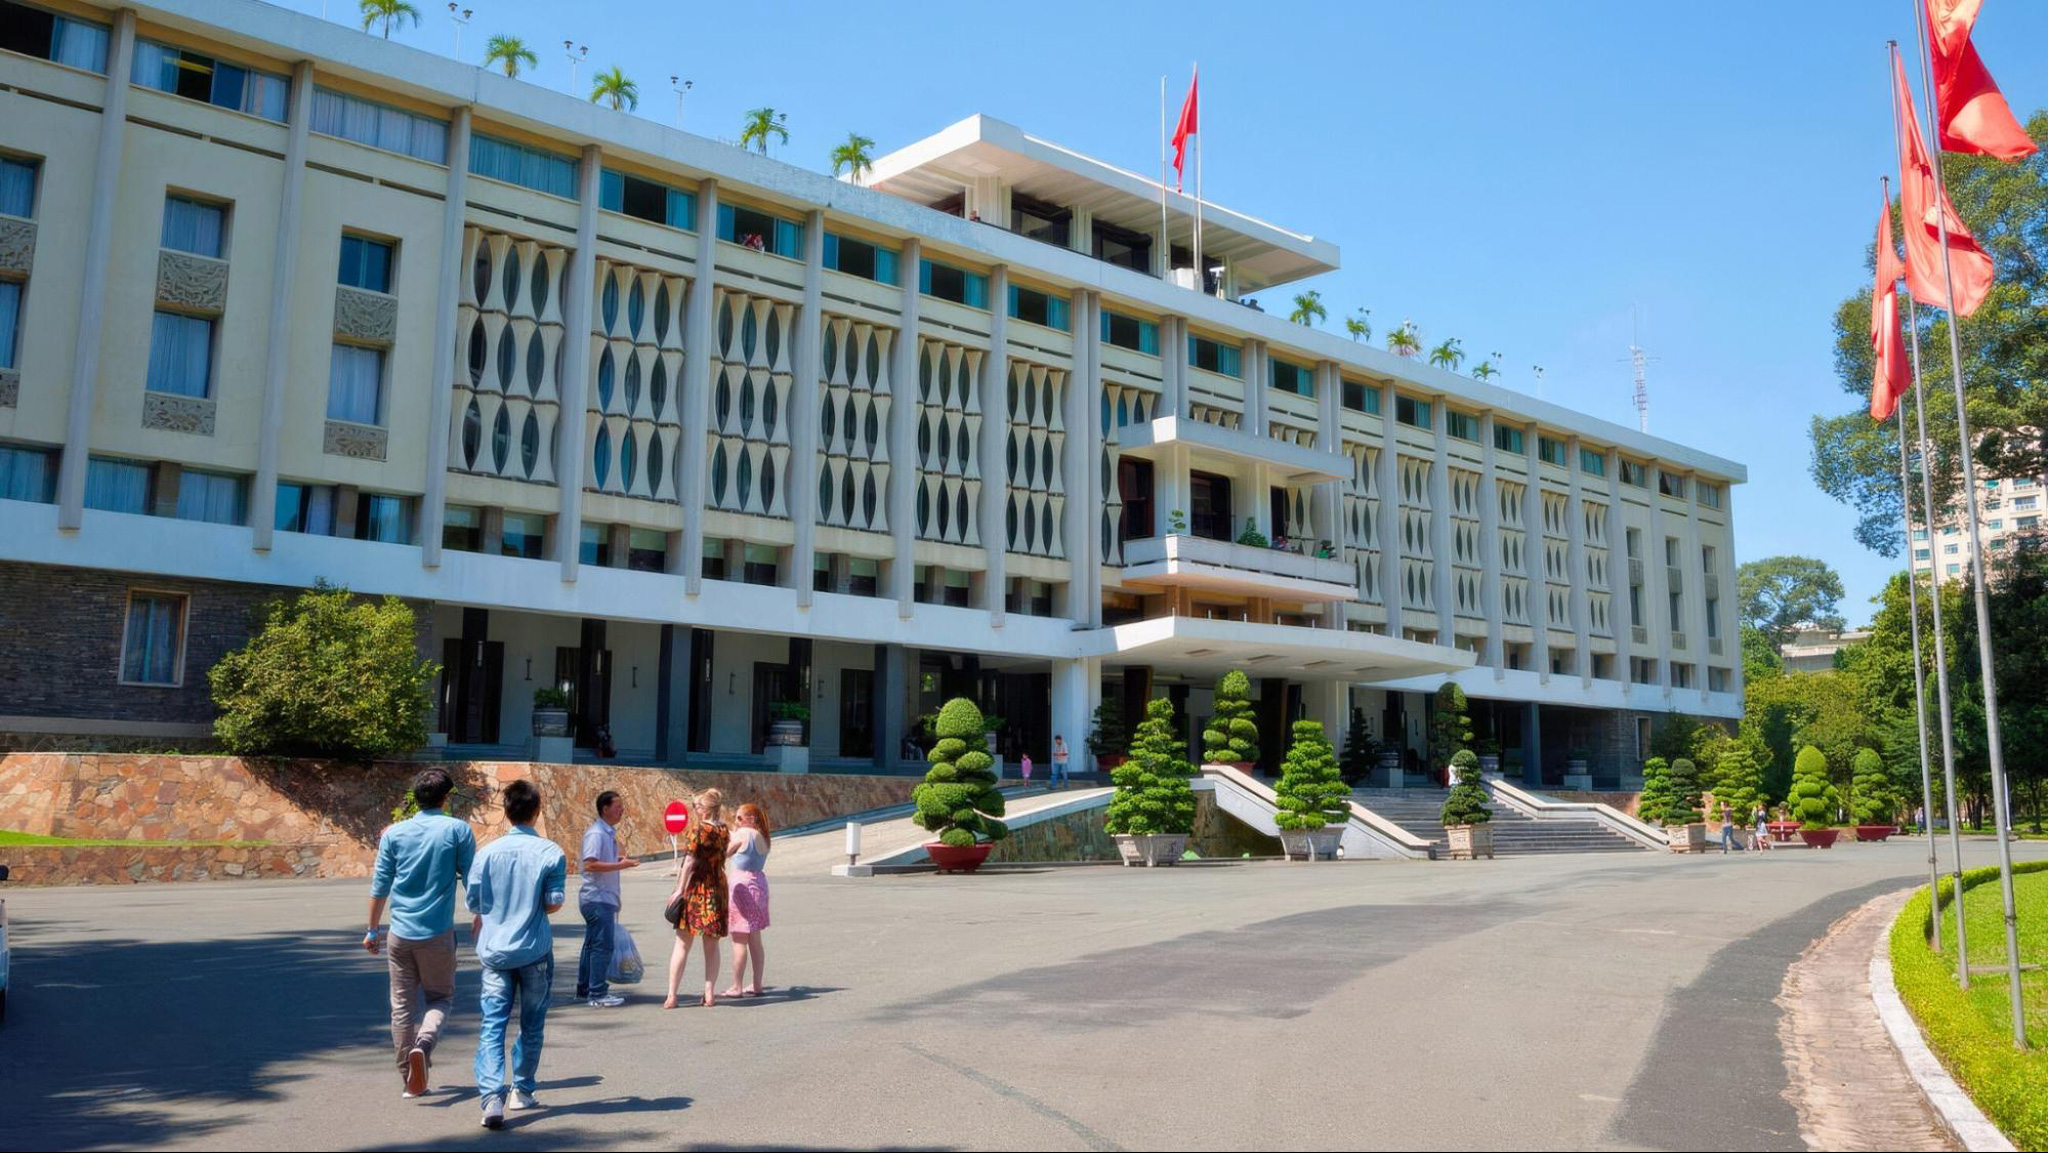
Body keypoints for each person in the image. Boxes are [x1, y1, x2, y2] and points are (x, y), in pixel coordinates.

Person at [366, 767, 476, 1099]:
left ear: (416, 798)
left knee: (401, 1006)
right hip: (437, 933)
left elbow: (380, 885)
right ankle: (424, 1043)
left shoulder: (393, 834)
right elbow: (472, 879)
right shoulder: (458, 830)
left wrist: (372, 930)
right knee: (441, 998)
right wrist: (481, 916)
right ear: (446, 797)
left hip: (399, 934)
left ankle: (409, 1080)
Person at [467, 779, 567, 1130]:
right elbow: (554, 902)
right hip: (534, 950)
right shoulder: (551, 853)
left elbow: (474, 903)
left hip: (495, 951)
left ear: (506, 813)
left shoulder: (485, 854)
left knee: (492, 1023)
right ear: (537, 812)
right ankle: (522, 1090)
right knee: (532, 1022)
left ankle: (491, 1097)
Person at [662, 788, 729, 1009]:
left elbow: (690, 862)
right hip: (717, 887)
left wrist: (679, 890)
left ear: (706, 808)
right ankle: (710, 993)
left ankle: (672, 994)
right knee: (711, 945)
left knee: (682, 943)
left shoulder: (699, 830)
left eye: (697, 806)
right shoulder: (723, 830)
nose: (695, 810)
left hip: (697, 889)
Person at [576, 790, 640, 1008]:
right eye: (617, 806)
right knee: (602, 947)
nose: (621, 810)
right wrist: (621, 865)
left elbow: (599, 862)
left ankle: (585, 988)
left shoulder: (607, 833)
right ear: (605, 809)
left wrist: (617, 859)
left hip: (599, 897)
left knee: (592, 945)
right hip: (597, 898)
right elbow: (590, 864)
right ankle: (597, 993)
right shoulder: (597, 834)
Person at [723, 803, 772, 998]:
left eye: (739, 818)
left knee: (739, 939)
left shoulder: (742, 835)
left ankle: (737, 986)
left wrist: (732, 834)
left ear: (751, 819)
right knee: (755, 938)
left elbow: (725, 853)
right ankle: (757, 984)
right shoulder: (763, 837)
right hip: (759, 883)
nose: (736, 822)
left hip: (741, 885)